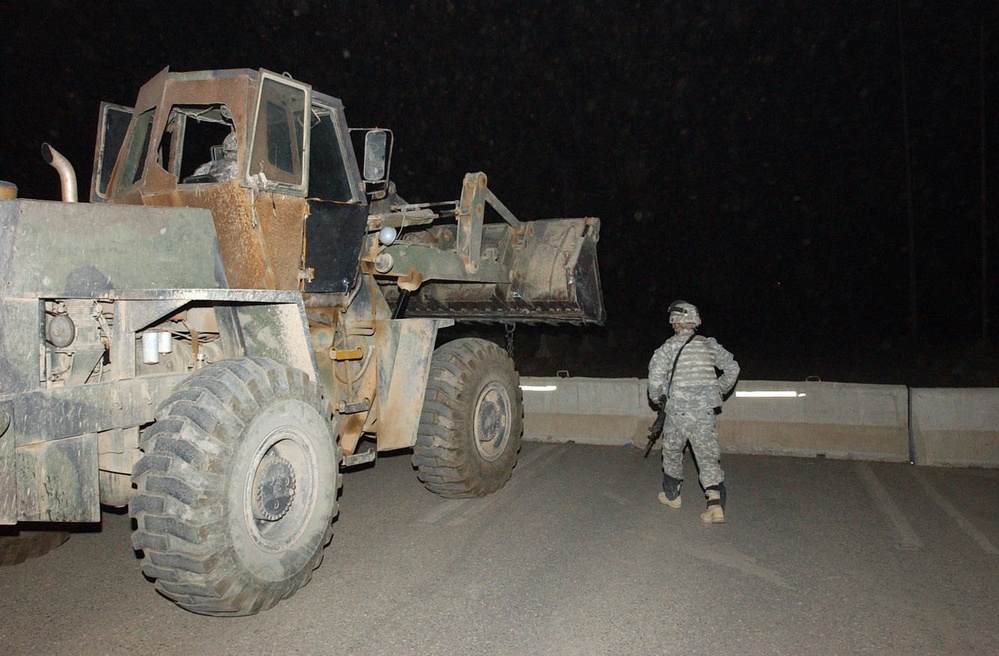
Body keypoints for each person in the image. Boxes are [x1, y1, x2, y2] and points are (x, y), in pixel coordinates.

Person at [648, 300, 739, 523]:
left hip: (677, 412)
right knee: (707, 457)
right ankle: (715, 505)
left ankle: (672, 496)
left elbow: (654, 384)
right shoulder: (709, 345)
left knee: (671, 453)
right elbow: (733, 368)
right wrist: (718, 389)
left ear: (675, 322)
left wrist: (659, 398)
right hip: (704, 412)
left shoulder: (667, 348)